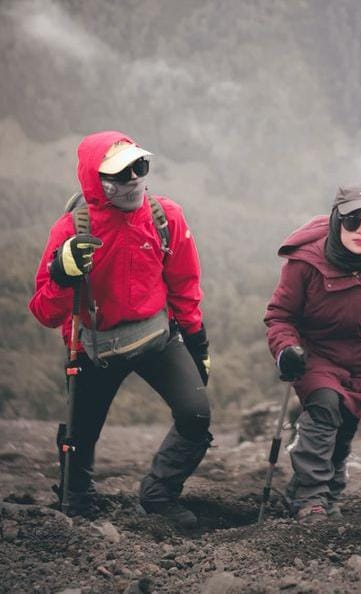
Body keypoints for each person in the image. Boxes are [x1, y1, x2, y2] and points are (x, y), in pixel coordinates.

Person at [29, 131, 211, 527]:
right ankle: (76, 504)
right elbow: (45, 311)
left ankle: (159, 497)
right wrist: (62, 274)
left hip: (156, 337)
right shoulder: (70, 232)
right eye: (120, 173)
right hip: (94, 346)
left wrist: (198, 345)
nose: (132, 180)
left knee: (196, 416)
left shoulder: (166, 218)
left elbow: (184, 285)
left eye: (138, 167)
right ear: (96, 180)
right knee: (81, 435)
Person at [264, 185, 361, 524]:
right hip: (315, 358)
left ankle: (321, 494)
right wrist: (286, 350)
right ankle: (311, 502)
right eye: (353, 221)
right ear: (337, 220)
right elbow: (281, 317)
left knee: (342, 436)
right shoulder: (305, 261)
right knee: (324, 410)